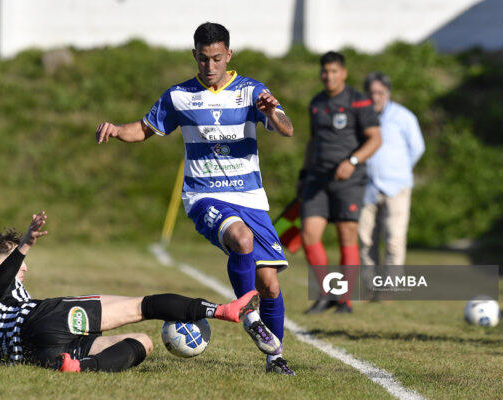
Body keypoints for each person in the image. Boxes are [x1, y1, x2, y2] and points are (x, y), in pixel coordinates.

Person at [95, 22, 295, 375]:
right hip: (205, 196)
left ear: (228, 55)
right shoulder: (178, 96)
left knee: (270, 284)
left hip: (250, 197)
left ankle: (275, 358)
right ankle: (247, 313)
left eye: (217, 58)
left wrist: (270, 112)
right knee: (241, 239)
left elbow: (286, 128)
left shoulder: (251, 91)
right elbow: (143, 129)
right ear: (195, 57)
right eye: (203, 59)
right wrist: (116, 129)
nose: (210, 66)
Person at [0, 211, 265, 373]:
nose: (24, 266)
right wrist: (23, 246)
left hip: (37, 357)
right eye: (13, 258)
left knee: (143, 342)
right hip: (41, 320)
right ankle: (221, 310)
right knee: (143, 306)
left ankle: (81, 367)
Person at [298, 51, 381, 314]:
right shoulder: (316, 103)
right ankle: (326, 294)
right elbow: (313, 141)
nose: (329, 76)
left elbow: (375, 139)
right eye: (325, 71)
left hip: (349, 180)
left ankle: (344, 300)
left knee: (346, 235)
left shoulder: (358, 102)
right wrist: (304, 173)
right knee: (309, 233)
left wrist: (352, 161)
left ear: (343, 73)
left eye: (334, 71)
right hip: (317, 179)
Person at [358, 72, 425, 297]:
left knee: (394, 240)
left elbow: (417, 148)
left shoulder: (404, 117)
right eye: (371, 93)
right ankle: (370, 288)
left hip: (397, 187)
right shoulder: (360, 115)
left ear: (387, 93)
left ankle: (389, 291)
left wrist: (399, 170)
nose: (375, 97)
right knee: (366, 240)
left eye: (380, 93)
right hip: (367, 186)